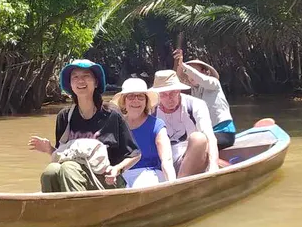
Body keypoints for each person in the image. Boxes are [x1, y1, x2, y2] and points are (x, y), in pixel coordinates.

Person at [28, 59, 140, 192]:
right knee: (51, 171)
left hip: (106, 181)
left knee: (68, 167)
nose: (80, 81)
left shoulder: (111, 114)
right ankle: (54, 211)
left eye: (86, 76)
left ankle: (80, 210)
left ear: (96, 82)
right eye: (75, 77)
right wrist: (49, 149)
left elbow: (135, 154)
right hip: (72, 175)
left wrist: (117, 169)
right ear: (70, 84)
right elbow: (62, 157)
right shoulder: (64, 117)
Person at [151, 69, 218, 177]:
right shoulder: (150, 110)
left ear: (179, 91)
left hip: (190, 156)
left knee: (199, 138)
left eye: (173, 92)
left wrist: (214, 165)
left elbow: (210, 136)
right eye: (163, 94)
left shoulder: (196, 104)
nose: (169, 99)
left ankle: (180, 183)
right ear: (157, 95)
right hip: (163, 160)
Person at [111, 77, 176, 187]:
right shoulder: (115, 125)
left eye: (140, 96)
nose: (136, 100)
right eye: (131, 96)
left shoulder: (157, 125)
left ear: (146, 101)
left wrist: (173, 184)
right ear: (124, 101)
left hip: (150, 173)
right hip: (121, 174)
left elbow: (167, 159)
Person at [173, 49, 236, 149]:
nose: (191, 75)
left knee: (194, 146)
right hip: (206, 134)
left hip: (224, 132)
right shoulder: (194, 92)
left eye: (193, 71)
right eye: (189, 73)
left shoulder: (214, 83)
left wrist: (183, 65)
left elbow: (201, 79)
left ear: (205, 72)